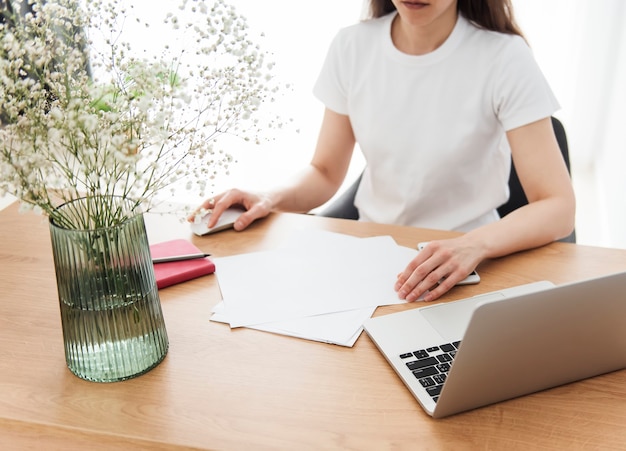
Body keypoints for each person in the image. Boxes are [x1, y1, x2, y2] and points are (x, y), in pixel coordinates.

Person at [190, 0, 576, 302]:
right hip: (370, 260)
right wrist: (269, 197)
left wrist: (475, 244)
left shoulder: (503, 58)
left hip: (466, 263)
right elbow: (325, 171)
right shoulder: (352, 46)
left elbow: (558, 207)